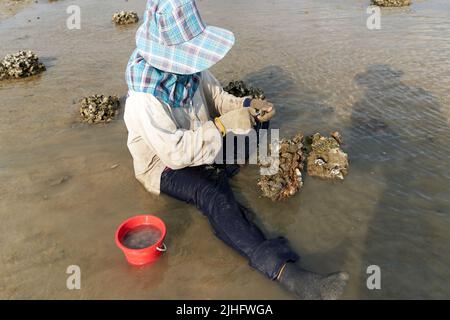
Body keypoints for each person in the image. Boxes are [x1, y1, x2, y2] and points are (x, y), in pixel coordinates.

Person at [124, 0, 348, 299]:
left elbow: (217, 97)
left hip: (202, 144)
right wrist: (222, 126)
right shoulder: (144, 98)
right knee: (212, 193)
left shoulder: (189, 70)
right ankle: (287, 274)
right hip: (164, 167)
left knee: (263, 130)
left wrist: (247, 107)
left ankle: (269, 190)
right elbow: (174, 154)